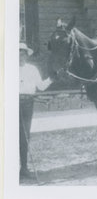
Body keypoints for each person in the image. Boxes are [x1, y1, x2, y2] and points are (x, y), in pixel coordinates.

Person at [19, 42, 53, 179]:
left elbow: (41, 86)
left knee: (25, 136)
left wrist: (52, 78)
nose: (20, 57)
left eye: (23, 54)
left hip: (28, 103)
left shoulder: (32, 69)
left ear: (27, 56)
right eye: (18, 54)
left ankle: (24, 168)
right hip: (11, 103)